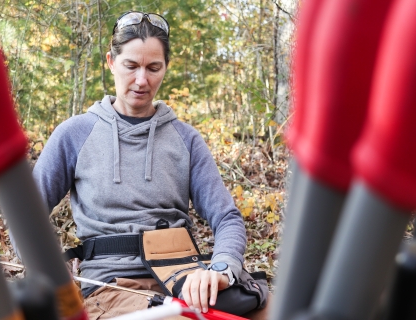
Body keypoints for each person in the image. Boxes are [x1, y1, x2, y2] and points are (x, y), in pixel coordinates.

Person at [31, 11, 269, 319]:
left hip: (185, 280)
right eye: (131, 66)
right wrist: (49, 268)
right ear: (111, 62)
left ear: (166, 68)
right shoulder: (74, 135)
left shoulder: (186, 139)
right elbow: (26, 216)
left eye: (153, 68)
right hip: (108, 287)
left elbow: (227, 218)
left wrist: (221, 269)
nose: (142, 80)